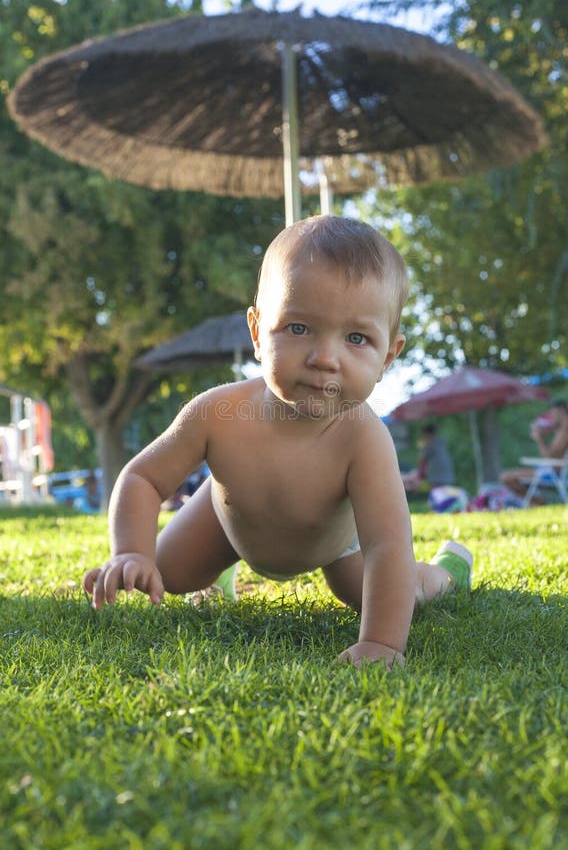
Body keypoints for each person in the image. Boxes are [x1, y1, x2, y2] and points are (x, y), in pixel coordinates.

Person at [83, 215, 473, 669]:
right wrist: (131, 551)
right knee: (168, 573)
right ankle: (220, 569)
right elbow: (144, 477)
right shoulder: (217, 413)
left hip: (332, 543)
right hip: (227, 516)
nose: (324, 358)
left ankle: (446, 572)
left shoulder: (365, 439)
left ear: (388, 356)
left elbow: (387, 545)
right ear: (256, 332)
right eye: (298, 328)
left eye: (355, 338)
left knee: (385, 593)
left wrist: (383, 643)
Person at [500, 399, 568, 500]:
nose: (551, 416)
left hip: (550, 473)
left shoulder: (565, 431)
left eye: (552, 413)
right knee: (506, 476)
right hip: (549, 470)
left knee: (505, 477)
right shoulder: (563, 430)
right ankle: (536, 501)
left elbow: (548, 457)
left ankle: (537, 502)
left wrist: (539, 439)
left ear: (560, 411)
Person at [402, 423, 455, 491]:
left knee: (436, 493)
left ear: (427, 434)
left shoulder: (429, 443)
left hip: (436, 474)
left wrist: (421, 448)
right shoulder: (440, 441)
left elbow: (422, 459)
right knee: (446, 493)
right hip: (447, 473)